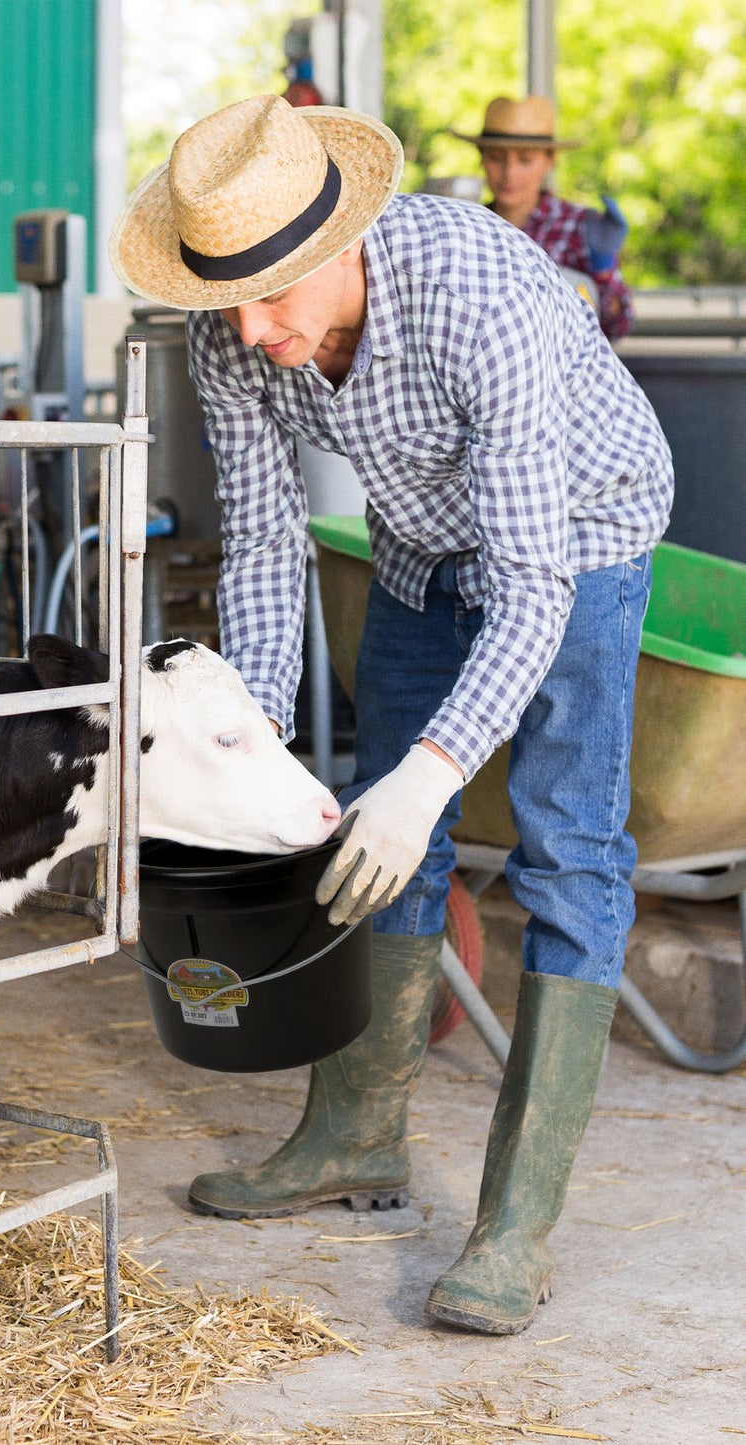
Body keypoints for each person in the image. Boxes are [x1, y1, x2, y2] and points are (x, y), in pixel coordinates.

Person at [109, 94, 671, 1334]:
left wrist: (435, 768)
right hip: (420, 547)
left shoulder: (484, 299)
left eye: (270, 297)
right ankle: (353, 1134)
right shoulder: (235, 330)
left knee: (564, 843)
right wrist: (241, 749)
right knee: (371, 828)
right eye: (226, 300)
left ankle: (513, 1222)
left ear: (338, 242)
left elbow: (528, 586)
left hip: (574, 543)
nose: (249, 331)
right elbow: (260, 544)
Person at [451, 95, 633, 340]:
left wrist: (604, 268)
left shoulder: (580, 228)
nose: (509, 173)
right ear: (481, 157)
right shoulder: (467, 229)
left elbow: (616, 327)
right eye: (496, 158)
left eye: (525, 160)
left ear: (550, 160)